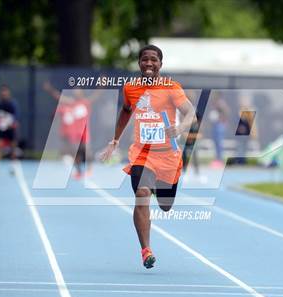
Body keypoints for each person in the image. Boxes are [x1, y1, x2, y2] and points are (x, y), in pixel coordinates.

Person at [100, 45, 195, 269]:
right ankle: (146, 250)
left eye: (154, 60)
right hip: (142, 154)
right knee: (142, 193)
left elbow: (190, 112)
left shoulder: (172, 88)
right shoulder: (131, 88)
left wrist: (181, 129)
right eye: (145, 59)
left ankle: (162, 194)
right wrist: (115, 140)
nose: (149, 64)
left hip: (168, 157)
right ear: (139, 63)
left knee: (165, 206)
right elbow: (125, 111)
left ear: (161, 64)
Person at [43, 81, 94, 178]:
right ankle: (79, 171)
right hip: (75, 134)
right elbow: (59, 97)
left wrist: (102, 87)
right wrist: (50, 89)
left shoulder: (86, 102)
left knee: (87, 151)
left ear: (82, 92)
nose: (76, 92)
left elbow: (96, 96)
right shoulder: (71, 103)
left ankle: (90, 170)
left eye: (78, 90)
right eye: (75, 90)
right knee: (75, 153)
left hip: (84, 132)